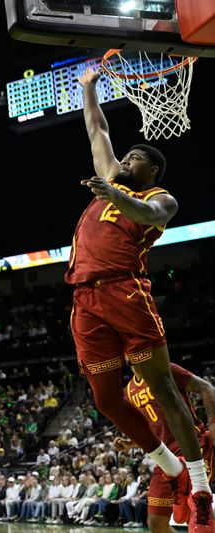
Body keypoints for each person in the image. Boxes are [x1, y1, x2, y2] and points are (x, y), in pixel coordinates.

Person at [69, 67, 213, 530]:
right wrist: (89, 89)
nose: (124, 160)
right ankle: (170, 466)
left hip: (125, 291)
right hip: (83, 299)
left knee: (164, 388)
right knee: (107, 399)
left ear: (150, 169)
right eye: (124, 157)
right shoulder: (112, 176)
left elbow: (146, 211)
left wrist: (113, 190)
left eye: (133, 159)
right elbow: (98, 130)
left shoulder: (160, 197)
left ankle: (200, 486)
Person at [114, 363, 215, 532]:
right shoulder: (129, 391)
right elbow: (151, 426)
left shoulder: (164, 369)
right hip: (165, 458)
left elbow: (207, 388)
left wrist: (212, 423)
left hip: (193, 447)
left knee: (197, 511)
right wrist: (132, 442)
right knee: (156, 522)